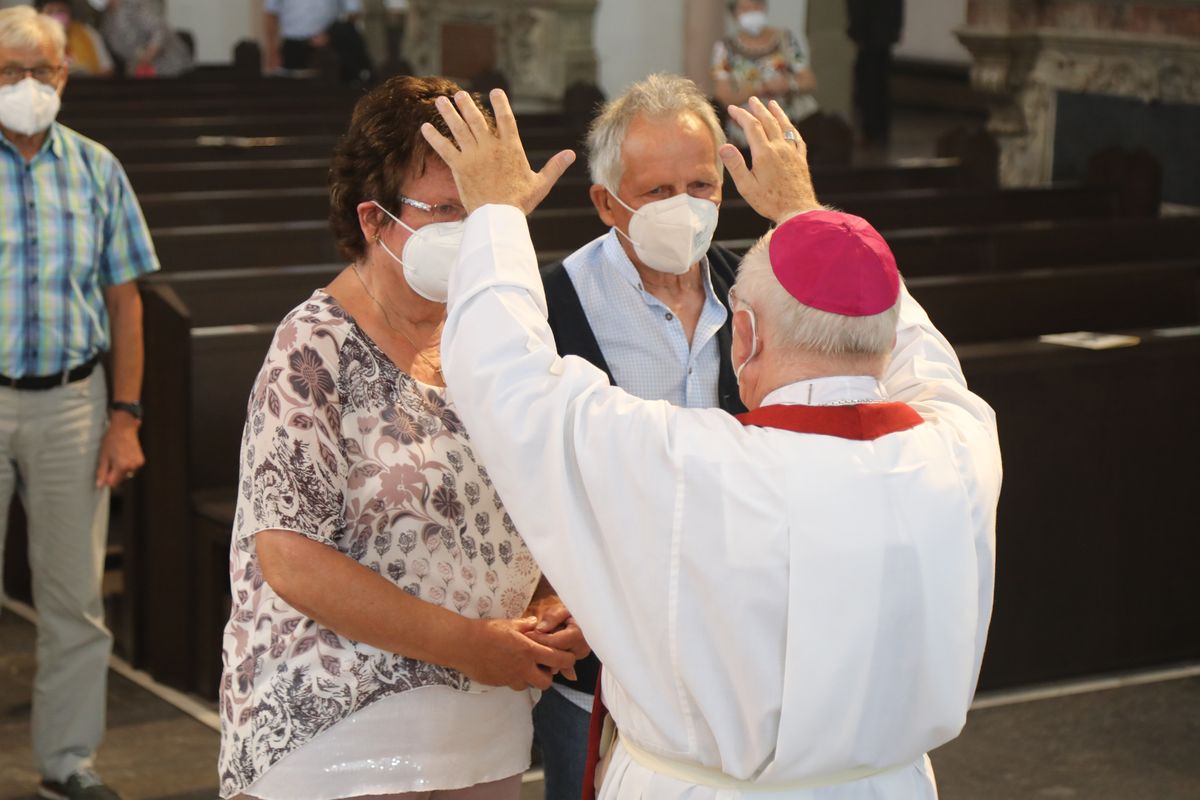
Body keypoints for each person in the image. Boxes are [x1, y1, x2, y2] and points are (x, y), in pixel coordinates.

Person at [423, 89, 1002, 798]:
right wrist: (807, 215)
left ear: (745, 336)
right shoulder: (963, 447)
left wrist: (497, 216)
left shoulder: (685, 465)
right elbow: (916, 348)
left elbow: (505, 380)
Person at [216, 75, 587, 800]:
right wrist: (470, 647)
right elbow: (292, 559)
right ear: (375, 220)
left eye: (484, 213)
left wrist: (554, 604)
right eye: (447, 211)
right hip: (336, 729)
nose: (471, 233)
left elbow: (535, 499)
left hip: (485, 730)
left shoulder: (497, 334)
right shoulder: (313, 348)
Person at [535, 72, 746, 800]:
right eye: (658, 192)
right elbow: (520, 467)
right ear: (606, 203)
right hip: (602, 659)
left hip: (729, 655)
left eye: (701, 186)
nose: (684, 209)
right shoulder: (550, 307)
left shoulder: (754, 292)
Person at [0, 6, 157, 799]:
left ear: (64, 75)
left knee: (74, 599)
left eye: (43, 71)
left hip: (71, 402)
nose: (28, 86)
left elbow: (126, 301)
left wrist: (124, 416)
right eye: (11, 71)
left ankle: (68, 764)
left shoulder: (97, 167)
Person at [712, 0, 818, 147]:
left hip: (786, 131)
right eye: (745, 8)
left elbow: (809, 81)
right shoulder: (724, 48)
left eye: (756, 6)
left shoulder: (785, 39)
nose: (752, 11)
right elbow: (722, 96)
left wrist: (788, 84)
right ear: (734, 13)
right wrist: (759, 88)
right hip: (744, 137)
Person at [262, 0, 372, 84]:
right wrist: (271, 49)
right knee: (291, 88)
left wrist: (330, 35)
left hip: (329, 44)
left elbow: (353, 12)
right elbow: (271, 14)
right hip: (292, 45)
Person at [847, 0, 904, 147]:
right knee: (880, 85)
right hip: (882, 35)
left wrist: (856, 30)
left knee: (869, 86)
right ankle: (879, 133)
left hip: (869, 36)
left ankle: (871, 132)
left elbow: (859, 6)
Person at [99, 0, 191, 77]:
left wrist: (148, 57)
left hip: (169, 70)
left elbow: (159, 30)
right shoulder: (107, 19)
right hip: (138, 74)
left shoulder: (134, 5)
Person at [35, 0, 114, 77]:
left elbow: (107, 70)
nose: (56, 16)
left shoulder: (88, 33)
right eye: (50, 11)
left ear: (70, 13)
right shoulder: (33, 39)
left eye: (61, 11)